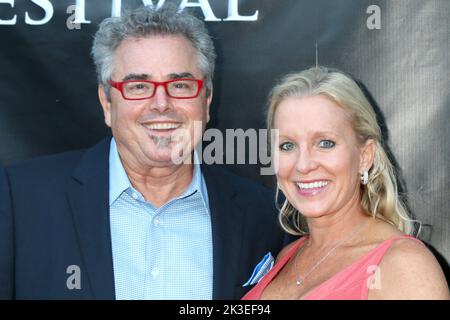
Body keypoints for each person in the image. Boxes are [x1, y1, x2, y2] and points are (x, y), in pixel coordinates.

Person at [0, 6, 287, 300]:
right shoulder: (19, 200)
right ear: (107, 103)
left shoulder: (262, 215)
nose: (161, 103)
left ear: (207, 98)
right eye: (138, 86)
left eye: (180, 84)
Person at [242, 66, 450, 300]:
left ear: (365, 156)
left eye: (325, 143)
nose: (303, 165)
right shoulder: (286, 257)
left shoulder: (403, 266)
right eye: (287, 145)